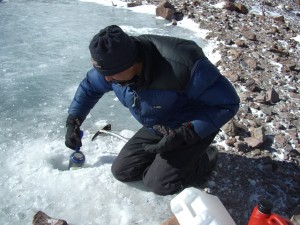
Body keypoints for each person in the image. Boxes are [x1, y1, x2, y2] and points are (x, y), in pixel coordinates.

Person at [65, 25, 240, 196]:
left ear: (131, 63)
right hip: (159, 122)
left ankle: (204, 160)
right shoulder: (112, 69)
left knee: (159, 184)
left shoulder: (182, 66)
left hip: (192, 126)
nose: (107, 78)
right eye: (103, 73)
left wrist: (185, 134)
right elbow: (89, 87)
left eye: (111, 73)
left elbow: (227, 103)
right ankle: (168, 158)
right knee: (123, 171)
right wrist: (74, 120)